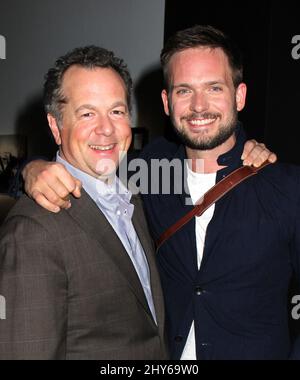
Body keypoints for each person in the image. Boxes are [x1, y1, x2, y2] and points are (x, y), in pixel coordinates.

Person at [20, 26, 281, 360]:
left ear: (239, 96)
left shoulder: (281, 187)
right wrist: (30, 169)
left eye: (214, 88)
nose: (199, 106)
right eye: (184, 90)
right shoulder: (150, 169)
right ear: (167, 101)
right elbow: (85, 164)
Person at [0, 46, 168, 359]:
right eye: (87, 113)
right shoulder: (33, 231)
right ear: (55, 127)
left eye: (116, 111)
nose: (106, 129)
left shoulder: (133, 200)